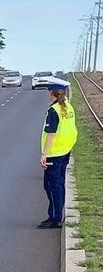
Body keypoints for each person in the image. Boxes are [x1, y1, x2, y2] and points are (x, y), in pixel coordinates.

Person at [38, 77, 77, 229]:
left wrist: (44, 154)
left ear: (52, 93)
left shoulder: (53, 110)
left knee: (51, 186)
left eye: (49, 91)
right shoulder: (67, 106)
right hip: (65, 150)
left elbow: (51, 134)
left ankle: (54, 218)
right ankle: (56, 214)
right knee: (58, 184)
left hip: (54, 153)